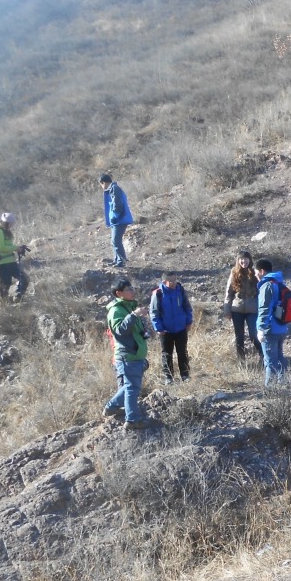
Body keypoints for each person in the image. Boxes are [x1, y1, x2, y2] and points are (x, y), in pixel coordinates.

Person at [103, 279, 151, 430]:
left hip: (135, 355)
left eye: (132, 288)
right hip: (127, 355)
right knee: (132, 388)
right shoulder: (116, 311)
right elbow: (120, 331)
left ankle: (111, 407)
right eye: (128, 289)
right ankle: (132, 420)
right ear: (119, 293)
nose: (132, 291)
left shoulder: (127, 307)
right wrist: (134, 315)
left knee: (130, 386)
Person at [149, 271, 193, 385]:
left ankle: (185, 374)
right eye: (171, 281)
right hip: (166, 330)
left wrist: (188, 321)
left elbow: (187, 307)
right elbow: (154, 312)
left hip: (181, 328)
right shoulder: (158, 294)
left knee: (182, 351)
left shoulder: (180, 290)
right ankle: (168, 376)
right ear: (164, 281)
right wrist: (158, 327)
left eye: (175, 280)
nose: (174, 283)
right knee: (167, 353)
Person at [256, 259, 290, 386]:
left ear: (262, 271)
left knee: (270, 360)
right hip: (281, 328)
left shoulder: (267, 286)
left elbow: (265, 309)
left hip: (270, 329)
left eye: (256, 272)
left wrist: (261, 328)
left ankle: (270, 390)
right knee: (280, 357)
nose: (255, 275)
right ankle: (284, 384)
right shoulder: (279, 283)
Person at [224, 251, 262, 360]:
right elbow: (229, 293)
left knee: (253, 335)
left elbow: (261, 290)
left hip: (252, 308)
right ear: (238, 260)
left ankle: (263, 356)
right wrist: (227, 311)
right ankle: (241, 361)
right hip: (237, 309)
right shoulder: (234, 272)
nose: (243, 261)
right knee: (239, 337)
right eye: (241, 259)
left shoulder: (255, 273)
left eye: (246, 259)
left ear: (249, 260)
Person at [0, 213, 29, 304]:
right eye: (11, 223)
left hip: (10, 262)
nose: (12, 225)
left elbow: (7, 245)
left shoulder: (4, 231)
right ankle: (0, 304)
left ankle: (18, 297)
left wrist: (18, 247)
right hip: (3, 263)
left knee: (24, 278)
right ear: (6, 222)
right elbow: (0, 247)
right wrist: (15, 248)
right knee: (5, 284)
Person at [99, 174, 134, 268]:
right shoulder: (113, 188)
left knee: (116, 240)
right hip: (117, 220)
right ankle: (117, 259)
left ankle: (122, 261)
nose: (102, 187)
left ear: (103, 182)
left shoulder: (114, 188)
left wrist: (115, 215)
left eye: (101, 184)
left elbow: (117, 203)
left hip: (120, 219)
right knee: (113, 241)